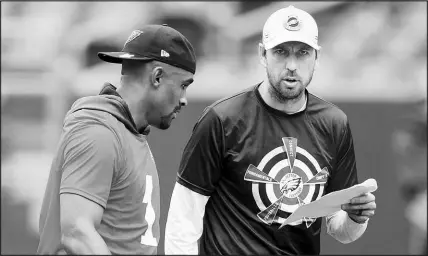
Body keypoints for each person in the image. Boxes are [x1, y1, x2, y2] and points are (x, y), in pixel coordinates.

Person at [165, 6, 376, 255]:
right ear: (262, 55)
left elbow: (340, 230)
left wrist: (356, 217)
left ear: (316, 58)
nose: (291, 65)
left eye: (303, 53)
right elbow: (183, 219)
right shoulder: (222, 120)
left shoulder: (334, 124)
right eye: (281, 52)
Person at [37, 24, 196, 255]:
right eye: (183, 85)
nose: (184, 99)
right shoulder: (99, 132)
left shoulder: (128, 132)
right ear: (158, 77)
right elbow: (77, 234)